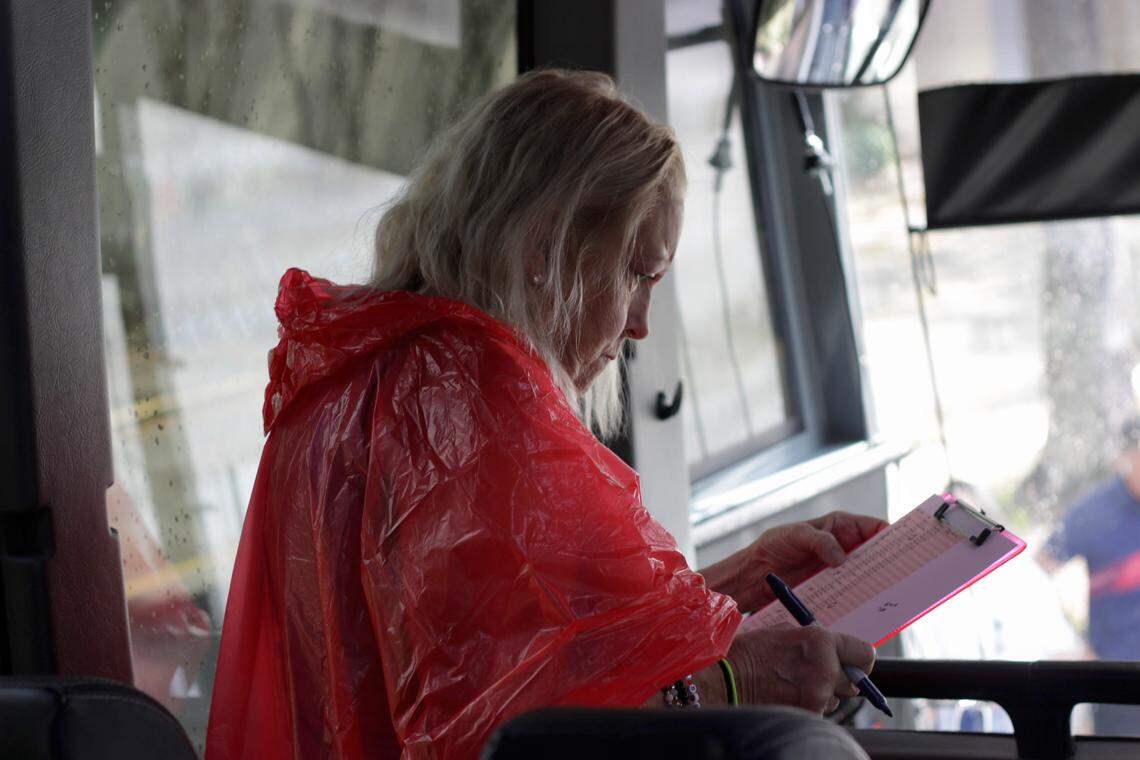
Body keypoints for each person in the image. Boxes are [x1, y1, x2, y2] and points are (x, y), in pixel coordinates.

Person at [205, 69, 882, 759]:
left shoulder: (367, 374)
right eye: (635, 275)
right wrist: (746, 682)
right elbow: (510, 742)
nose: (641, 324)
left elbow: (537, 650)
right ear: (543, 253)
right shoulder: (469, 409)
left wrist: (746, 579)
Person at [1042, 421, 1140, 737]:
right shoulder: (1095, 512)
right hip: (1118, 678)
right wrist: (1072, 640)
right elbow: (1039, 569)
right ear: (1125, 457)